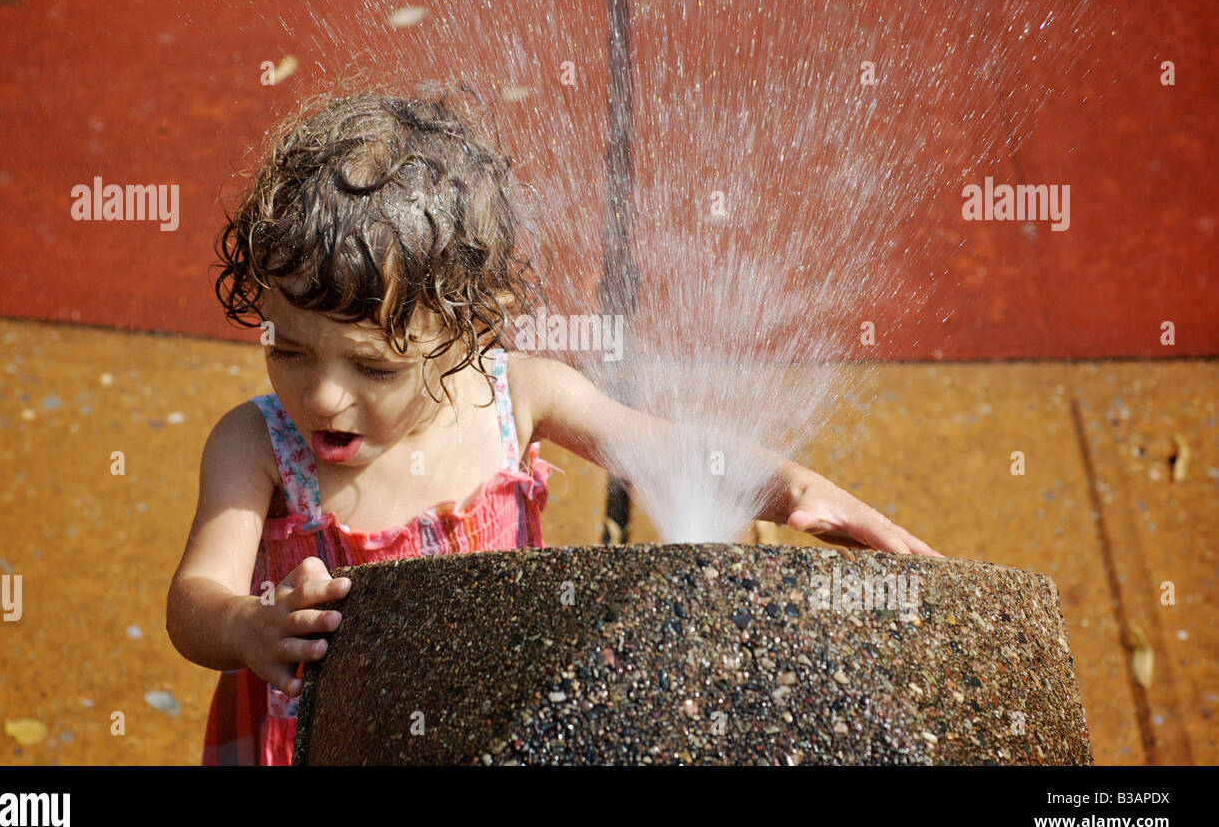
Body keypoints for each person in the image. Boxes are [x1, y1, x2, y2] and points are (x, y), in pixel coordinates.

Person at [166, 81, 943, 766]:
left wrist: (794, 486)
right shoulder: (257, 444)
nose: (324, 399)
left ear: (470, 329)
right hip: (324, 741)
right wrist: (250, 628)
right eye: (290, 350)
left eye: (375, 369)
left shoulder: (518, 397)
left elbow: (670, 451)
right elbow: (194, 598)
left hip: (495, 725)